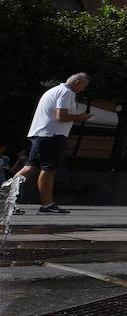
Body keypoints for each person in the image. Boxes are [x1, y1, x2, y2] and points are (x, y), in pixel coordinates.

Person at [5, 74, 92, 215]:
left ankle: (6, 201)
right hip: (52, 135)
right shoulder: (67, 92)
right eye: (84, 85)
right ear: (77, 82)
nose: (83, 89)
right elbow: (61, 116)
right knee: (48, 169)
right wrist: (80, 117)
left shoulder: (53, 91)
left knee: (29, 168)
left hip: (42, 135)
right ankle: (47, 205)